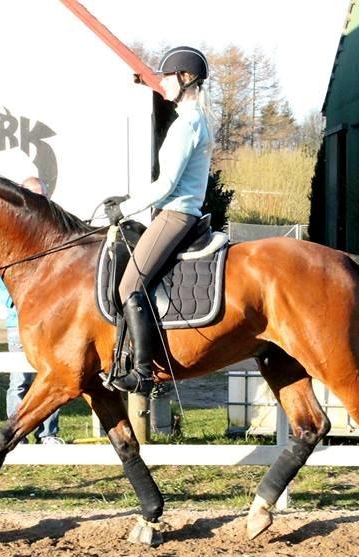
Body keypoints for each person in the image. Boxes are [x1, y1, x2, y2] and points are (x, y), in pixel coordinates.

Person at [103, 45, 213, 395]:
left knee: (129, 285)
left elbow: (166, 185)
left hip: (176, 214)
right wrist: (132, 201)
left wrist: (124, 210)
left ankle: (144, 372)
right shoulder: (195, 121)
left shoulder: (187, 124)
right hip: (176, 210)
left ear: (185, 78)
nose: (162, 84)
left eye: (166, 77)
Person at [0, 175, 64, 444]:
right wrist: (15, 300)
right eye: (34, 197)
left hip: (52, 322)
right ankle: (16, 436)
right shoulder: (7, 231)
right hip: (20, 322)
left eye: (43, 196)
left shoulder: (55, 230)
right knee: (20, 380)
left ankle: (48, 434)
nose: (39, 202)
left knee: (51, 379)